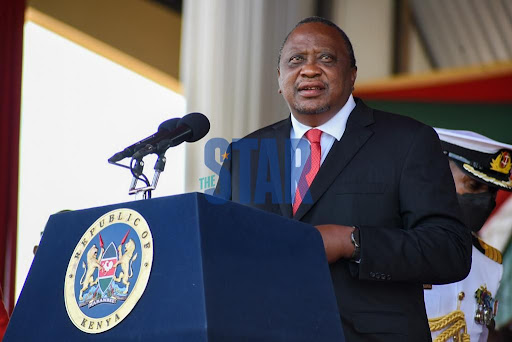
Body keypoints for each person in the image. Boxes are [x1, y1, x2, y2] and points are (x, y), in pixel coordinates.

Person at [215, 16, 472, 341]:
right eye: (295, 60)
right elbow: (217, 253)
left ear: (352, 75)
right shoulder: (244, 153)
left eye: (326, 58)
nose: (309, 69)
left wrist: (351, 242)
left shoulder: (407, 140)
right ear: (279, 79)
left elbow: (450, 250)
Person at [424, 128, 512, 342]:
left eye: (492, 192)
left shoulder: (488, 262)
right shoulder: (390, 246)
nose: (486, 201)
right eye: (474, 185)